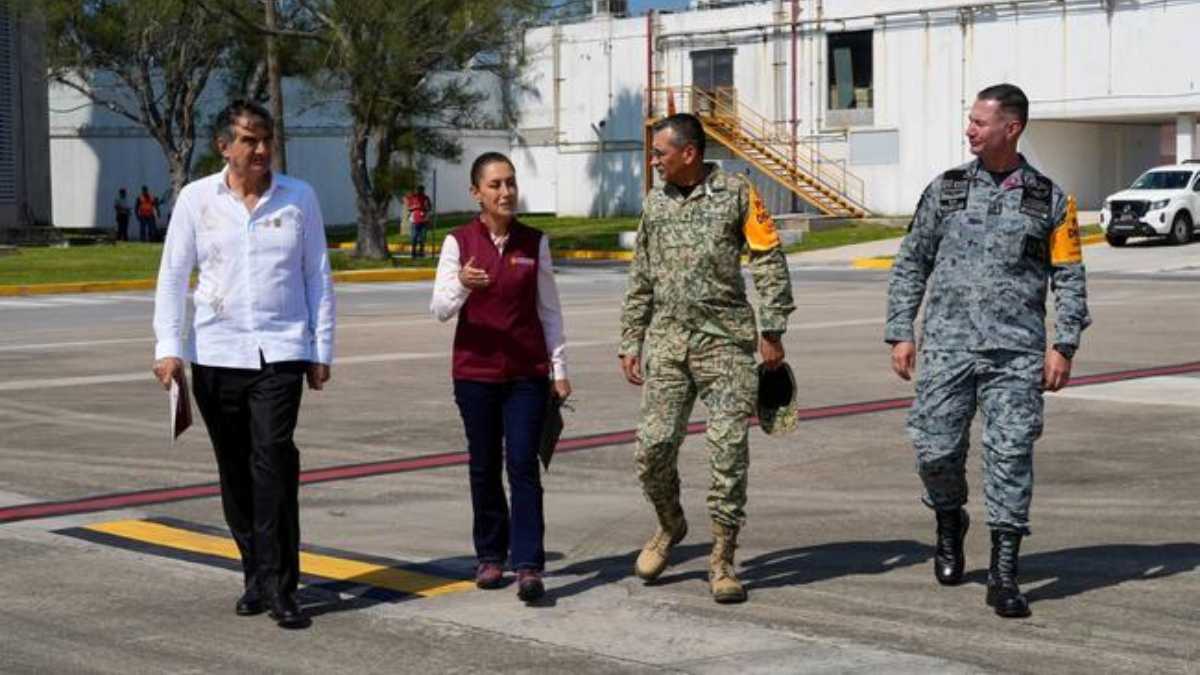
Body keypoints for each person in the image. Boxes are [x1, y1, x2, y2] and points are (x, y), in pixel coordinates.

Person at [885, 83, 1090, 619]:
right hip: (947, 348)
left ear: (1011, 128)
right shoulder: (946, 189)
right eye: (970, 120)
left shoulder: (1049, 199)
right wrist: (901, 330)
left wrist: (1063, 344)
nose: (969, 130)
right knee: (934, 450)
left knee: (1010, 456)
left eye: (979, 122)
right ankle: (949, 520)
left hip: (1015, 354)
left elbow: (1069, 277)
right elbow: (912, 261)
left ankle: (1003, 573)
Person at [152, 99, 335, 629]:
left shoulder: (299, 197)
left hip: (281, 352)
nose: (260, 149)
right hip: (217, 354)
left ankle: (281, 586)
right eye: (249, 140)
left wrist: (321, 350)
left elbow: (317, 276)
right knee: (235, 470)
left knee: (272, 460)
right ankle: (254, 572)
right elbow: (173, 276)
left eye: (266, 139)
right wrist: (168, 347)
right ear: (224, 146)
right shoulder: (196, 199)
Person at [619, 113, 795, 604]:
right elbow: (641, 275)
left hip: (726, 346)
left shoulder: (737, 193)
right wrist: (631, 338)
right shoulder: (655, 203)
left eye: (660, 154)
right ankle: (670, 525)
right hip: (668, 345)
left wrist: (772, 330)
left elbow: (767, 258)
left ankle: (722, 558)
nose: (653, 162)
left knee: (727, 454)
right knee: (652, 449)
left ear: (689, 153)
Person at [430, 152, 571, 603]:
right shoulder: (458, 242)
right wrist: (462, 285)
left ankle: (528, 564)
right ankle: (491, 555)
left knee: (523, 465)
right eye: (495, 185)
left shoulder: (534, 242)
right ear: (476, 193)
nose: (505, 192)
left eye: (510, 183)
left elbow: (549, 310)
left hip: (527, 373)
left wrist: (559, 369)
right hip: (475, 374)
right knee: (484, 465)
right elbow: (439, 308)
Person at [405, 185, 433, 258]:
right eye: (419, 190)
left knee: (422, 238)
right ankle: (413, 253)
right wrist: (416, 207)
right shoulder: (413, 198)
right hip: (415, 220)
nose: (420, 192)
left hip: (423, 220)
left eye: (422, 190)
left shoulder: (426, 198)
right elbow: (409, 207)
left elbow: (429, 207)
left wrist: (425, 208)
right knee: (414, 237)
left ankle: (421, 252)